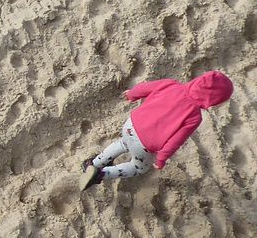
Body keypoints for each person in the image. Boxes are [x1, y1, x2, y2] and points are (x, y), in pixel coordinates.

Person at [81, 71, 233, 189]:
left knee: (122, 144)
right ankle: (100, 174)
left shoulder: (172, 85)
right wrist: (160, 160)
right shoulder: (194, 116)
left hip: (131, 124)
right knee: (137, 168)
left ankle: (92, 164)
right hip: (145, 145)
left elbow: (145, 87)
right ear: (213, 100)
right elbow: (175, 142)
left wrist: (132, 94)